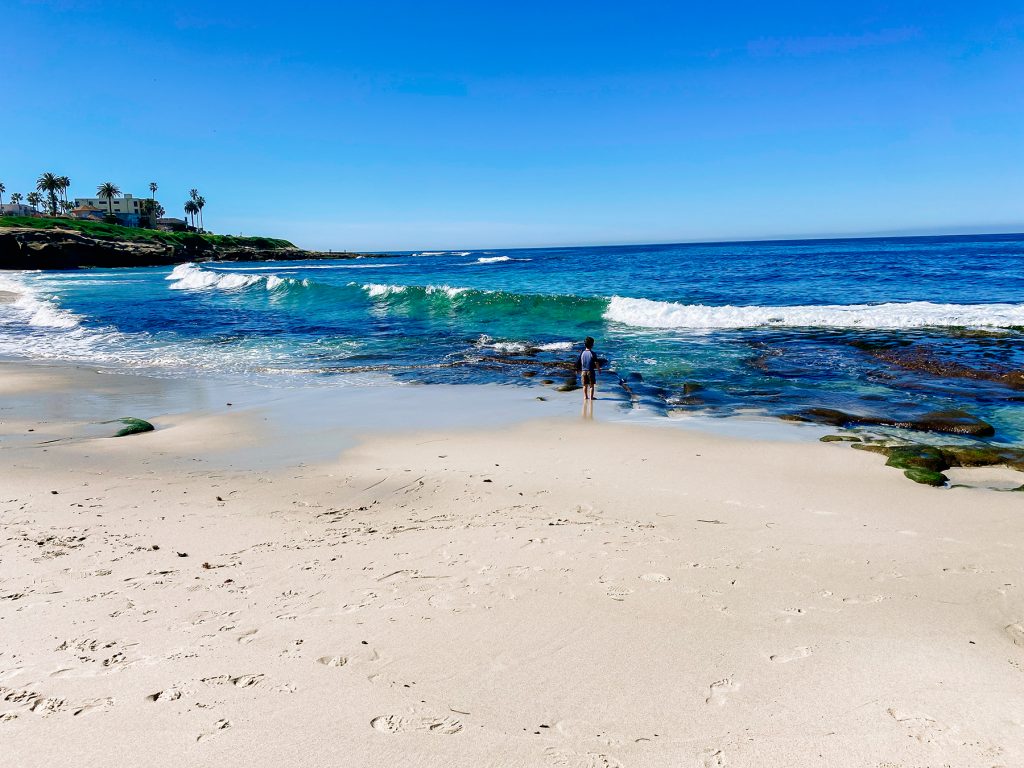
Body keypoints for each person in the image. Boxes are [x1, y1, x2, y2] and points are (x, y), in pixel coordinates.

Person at [576, 336, 600, 401]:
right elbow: (596, 363)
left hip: (583, 371)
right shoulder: (593, 353)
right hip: (590, 371)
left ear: (584, 344)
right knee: (591, 385)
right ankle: (591, 397)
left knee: (585, 385)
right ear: (592, 345)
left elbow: (578, 362)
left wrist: (577, 369)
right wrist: (599, 369)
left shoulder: (582, 353)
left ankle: (585, 397)